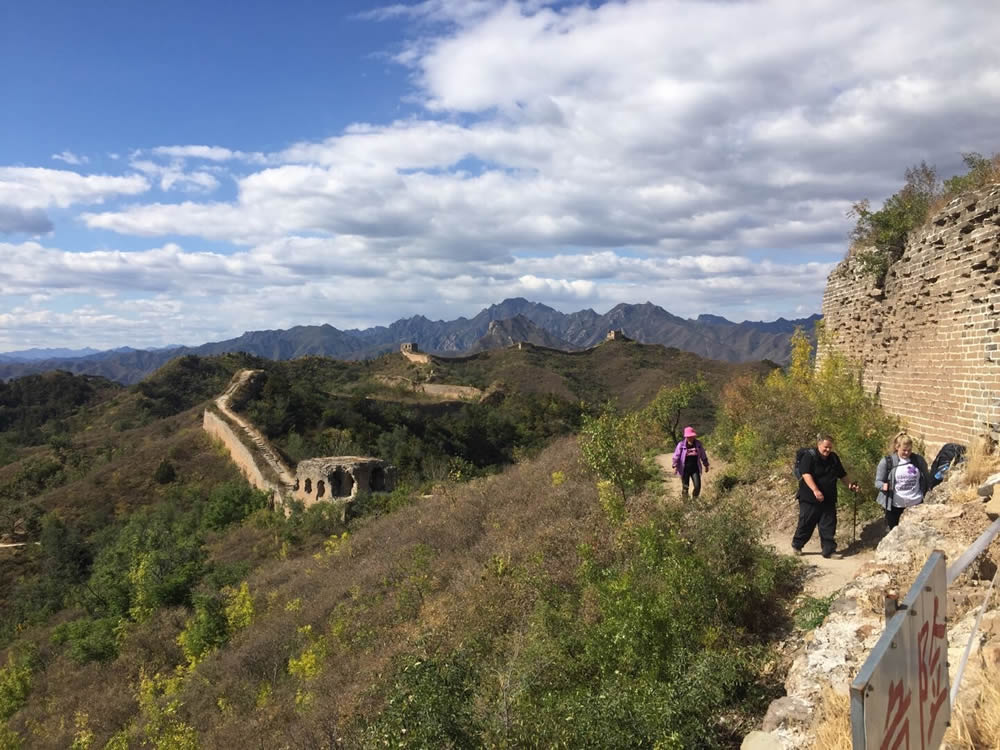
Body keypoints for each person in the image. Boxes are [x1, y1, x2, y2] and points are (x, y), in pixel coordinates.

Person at [792, 435, 859, 558]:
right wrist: (815, 490)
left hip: (828, 497)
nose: (828, 450)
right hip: (810, 498)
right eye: (825, 447)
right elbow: (806, 474)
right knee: (806, 523)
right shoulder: (809, 457)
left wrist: (850, 485)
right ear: (819, 445)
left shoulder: (833, 458)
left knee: (828, 524)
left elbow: (842, 474)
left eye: (830, 447)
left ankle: (829, 551)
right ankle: (797, 545)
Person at [875, 432, 931, 530]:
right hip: (895, 507)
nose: (907, 453)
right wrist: (883, 486)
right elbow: (878, 482)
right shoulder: (887, 462)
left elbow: (926, 478)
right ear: (897, 447)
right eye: (904, 450)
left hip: (916, 504)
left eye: (909, 450)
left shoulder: (918, 460)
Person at [672, 426, 709, 498]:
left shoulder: (698, 444)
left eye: (692, 436)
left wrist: (706, 465)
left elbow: (703, 454)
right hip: (684, 469)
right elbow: (676, 456)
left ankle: (694, 500)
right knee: (685, 487)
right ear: (686, 437)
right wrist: (675, 466)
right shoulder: (681, 445)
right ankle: (686, 504)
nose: (691, 438)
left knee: (697, 486)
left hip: (695, 469)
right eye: (689, 436)